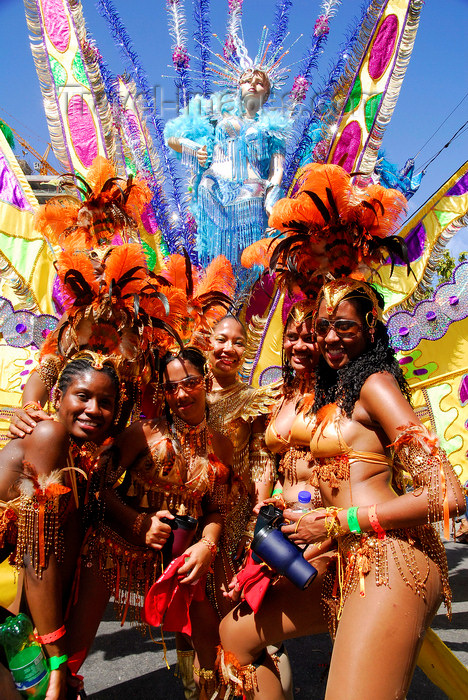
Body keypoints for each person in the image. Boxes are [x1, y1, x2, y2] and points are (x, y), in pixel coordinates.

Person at [217, 278, 465, 700]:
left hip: (392, 560)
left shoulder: (376, 385)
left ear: (371, 328)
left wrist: (338, 521)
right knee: (235, 635)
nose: (330, 337)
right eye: (323, 326)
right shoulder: (339, 389)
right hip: (346, 556)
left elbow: (446, 492)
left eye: (345, 327)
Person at [66, 347, 232, 699]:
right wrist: (138, 521)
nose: (181, 394)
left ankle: (206, 693)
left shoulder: (221, 445)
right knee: (73, 648)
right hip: (116, 546)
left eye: (190, 383)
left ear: (207, 381)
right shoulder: (143, 433)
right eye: (171, 388)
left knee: (213, 647)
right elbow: (99, 485)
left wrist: (207, 545)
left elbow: (217, 509)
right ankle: (58, 688)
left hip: (183, 554)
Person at [0, 353, 120, 700]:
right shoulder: (49, 435)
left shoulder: (81, 457)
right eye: (83, 396)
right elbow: (37, 551)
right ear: (58, 398)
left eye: (106, 402)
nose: (94, 409)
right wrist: (55, 658)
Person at [166, 69, 288, 271]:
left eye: (259, 82)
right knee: (217, 260)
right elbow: (173, 140)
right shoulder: (217, 116)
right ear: (238, 86)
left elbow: (276, 171)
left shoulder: (273, 131)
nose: (252, 84)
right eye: (247, 80)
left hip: (251, 195)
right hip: (215, 188)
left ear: (266, 93)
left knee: (248, 262)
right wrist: (195, 150)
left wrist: (272, 203)